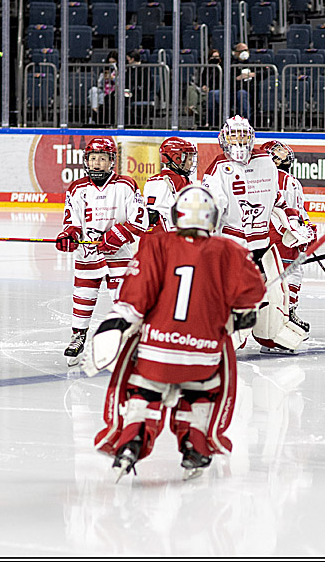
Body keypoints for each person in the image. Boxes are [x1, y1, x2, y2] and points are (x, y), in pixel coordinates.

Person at [92, 184, 267, 482]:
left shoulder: (157, 244)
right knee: (201, 394)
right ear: (212, 218)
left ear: (177, 215)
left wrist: (115, 323)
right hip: (204, 353)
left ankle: (131, 440)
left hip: (156, 351)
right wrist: (242, 310)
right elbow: (252, 294)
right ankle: (195, 445)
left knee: (144, 392)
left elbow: (136, 298)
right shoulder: (230, 250)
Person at [201, 116, 311, 353]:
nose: (239, 142)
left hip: (262, 245)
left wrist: (294, 221)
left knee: (273, 296)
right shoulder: (217, 168)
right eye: (234, 136)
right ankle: (223, 338)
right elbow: (210, 208)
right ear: (224, 139)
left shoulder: (265, 161)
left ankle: (270, 336)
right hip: (233, 246)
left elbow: (277, 200)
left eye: (243, 135)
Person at [55, 137, 149, 365]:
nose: (97, 163)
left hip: (120, 253)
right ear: (86, 160)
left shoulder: (126, 185)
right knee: (83, 297)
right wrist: (69, 236)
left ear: (111, 161)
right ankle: (78, 335)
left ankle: (130, 339)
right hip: (88, 254)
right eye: (93, 158)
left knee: (123, 299)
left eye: (102, 159)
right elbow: (72, 221)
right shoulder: (77, 188)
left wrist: (119, 234)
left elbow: (140, 219)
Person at [260, 140, 315, 333]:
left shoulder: (279, 180)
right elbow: (286, 212)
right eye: (278, 153)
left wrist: (306, 227)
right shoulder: (280, 180)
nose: (284, 155)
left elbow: (297, 210)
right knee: (287, 275)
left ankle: (282, 314)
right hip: (283, 237)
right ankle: (283, 314)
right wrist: (298, 232)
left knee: (284, 276)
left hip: (278, 236)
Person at [143, 137, 198, 232]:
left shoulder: (186, 181)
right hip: (169, 241)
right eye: (189, 158)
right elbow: (153, 218)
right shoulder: (159, 182)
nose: (191, 162)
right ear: (177, 158)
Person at [206, 43, 254, 127]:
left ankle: (245, 124)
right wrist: (236, 78)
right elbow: (222, 77)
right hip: (228, 90)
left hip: (243, 91)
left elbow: (268, 70)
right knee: (213, 94)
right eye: (242, 51)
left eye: (246, 50)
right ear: (236, 53)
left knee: (242, 94)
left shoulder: (252, 62)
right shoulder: (228, 63)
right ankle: (212, 123)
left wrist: (253, 74)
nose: (245, 53)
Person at [89, 51, 119, 126]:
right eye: (110, 62)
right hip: (104, 90)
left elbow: (120, 83)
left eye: (114, 62)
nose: (112, 64)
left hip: (114, 92)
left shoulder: (120, 70)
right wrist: (104, 78)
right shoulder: (105, 70)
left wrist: (112, 78)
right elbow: (99, 84)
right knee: (93, 90)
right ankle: (95, 110)